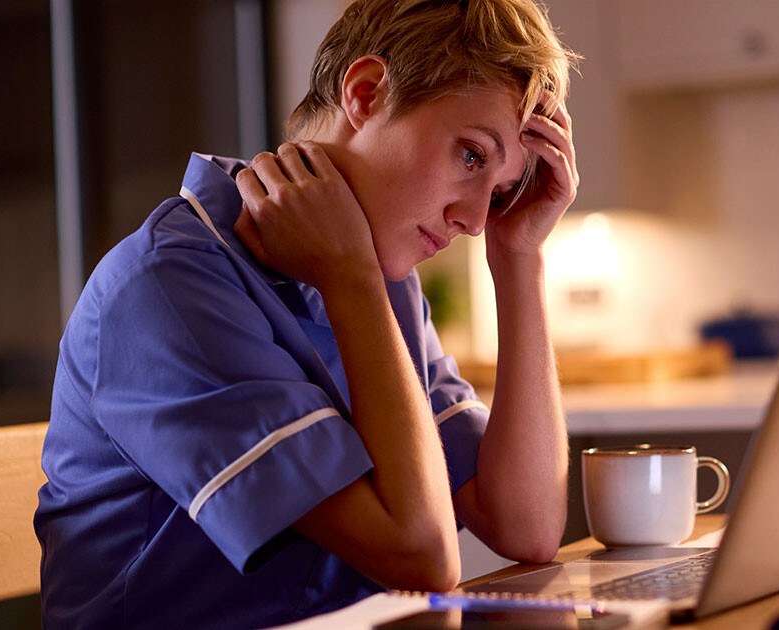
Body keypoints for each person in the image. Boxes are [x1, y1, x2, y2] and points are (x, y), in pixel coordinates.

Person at [34, 0, 578, 627]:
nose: (477, 220)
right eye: (472, 156)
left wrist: (519, 259)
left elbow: (527, 526)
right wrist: (353, 282)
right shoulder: (166, 288)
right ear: (367, 92)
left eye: (500, 188)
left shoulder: (375, 273)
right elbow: (423, 557)